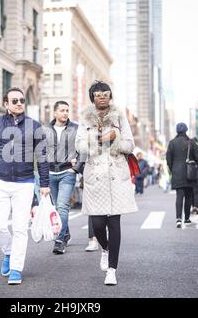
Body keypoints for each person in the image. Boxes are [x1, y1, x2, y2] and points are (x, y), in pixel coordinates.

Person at [0, 87, 50, 285]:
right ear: (6, 104)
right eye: (15, 100)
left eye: (22, 100)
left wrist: (44, 183)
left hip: (25, 183)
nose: (19, 103)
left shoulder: (34, 126)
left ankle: (16, 269)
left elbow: (42, 156)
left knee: (20, 228)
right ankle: (9, 252)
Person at [75, 80, 138, 286]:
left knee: (114, 223)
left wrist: (116, 137)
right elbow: (79, 146)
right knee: (98, 223)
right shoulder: (84, 119)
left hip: (116, 175)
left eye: (106, 93)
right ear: (92, 97)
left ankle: (112, 270)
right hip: (95, 175)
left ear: (110, 96)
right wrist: (100, 138)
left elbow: (130, 144)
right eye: (98, 93)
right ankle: (104, 247)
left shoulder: (120, 117)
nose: (102, 96)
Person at [45, 100, 84, 254]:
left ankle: (59, 240)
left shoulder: (76, 128)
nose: (65, 113)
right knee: (56, 207)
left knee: (62, 206)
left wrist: (76, 168)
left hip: (67, 173)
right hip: (50, 173)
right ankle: (66, 233)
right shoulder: (45, 129)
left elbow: (84, 150)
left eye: (67, 110)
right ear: (55, 113)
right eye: (62, 110)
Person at [166, 123, 198, 228]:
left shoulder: (172, 143)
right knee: (189, 196)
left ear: (177, 131)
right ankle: (186, 218)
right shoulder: (191, 142)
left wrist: (173, 168)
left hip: (177, 172)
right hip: (189, 173)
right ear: (186, 130)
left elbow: (168, 159)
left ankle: (178, 219)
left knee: (179, 195)